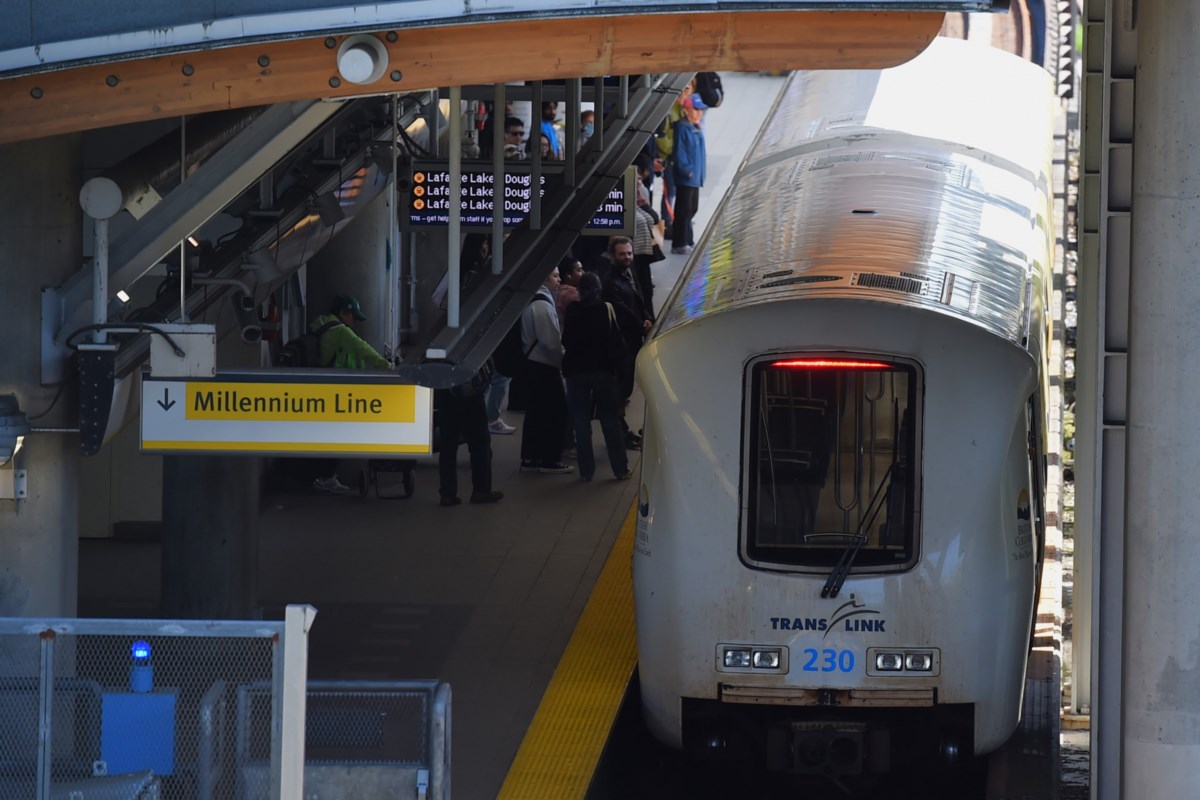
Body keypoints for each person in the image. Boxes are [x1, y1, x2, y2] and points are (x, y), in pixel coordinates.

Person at [308, 294, 391, 493]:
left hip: (320, 388)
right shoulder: (340, 331)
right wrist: (388, 366)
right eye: (353, 317)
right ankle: (326, 477)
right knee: (334, 435)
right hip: (334, 391)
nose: (354, 323)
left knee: (326, 435)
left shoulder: (320, 326)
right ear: (344, 313)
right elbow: (363, 349)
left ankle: (323, 475)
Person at [562, 273, 632, 481]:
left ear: (580, 290)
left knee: (581, 425)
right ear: (599, 288)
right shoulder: (606, 309)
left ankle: (586, 472)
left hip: (575, 372)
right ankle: (620, 469)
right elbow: (617, 342)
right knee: (610, 422)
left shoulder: (572, 310)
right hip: (603, 371)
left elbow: (566, 340)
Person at [519, 267, 574, 474]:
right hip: (544, 366)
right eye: (555, 275)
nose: (559, 279)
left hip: (533, 364)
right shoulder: (542, 305)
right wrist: (563, 360)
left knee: (535, 413)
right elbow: (550, 343)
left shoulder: (533, 300)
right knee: (554, 413)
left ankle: (531, 457)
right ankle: (549, 459)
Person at [601, 237, 653, 450]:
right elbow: (622, 310)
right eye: (622, 254)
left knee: (625, 388)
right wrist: (642, 324)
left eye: (629, 253)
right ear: (613, 256)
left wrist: (648, 316)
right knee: (621, 388)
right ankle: (619, 432)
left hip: (631, 340)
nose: (627, 257)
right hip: (622, 344)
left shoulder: (629, 273)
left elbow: (640, 299)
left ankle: (621, 430)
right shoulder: (611, 282)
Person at [436, 360, 504, 507]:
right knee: (480, 441)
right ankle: (482, 490)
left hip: (445, 385)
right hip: (468, 385)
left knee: (448, 443)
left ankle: (447, 493)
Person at [670, 100, 706, 254]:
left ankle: (688, 239)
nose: (700, 112)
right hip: (687, 177)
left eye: (701, 109)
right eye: (696, 109)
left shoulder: (695, 127)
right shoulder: (682, 127)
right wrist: (687, 170)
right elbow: (679, 152)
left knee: (692, 208)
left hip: (695, 177)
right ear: (687, 109)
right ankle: (679, 242)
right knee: (683, 210)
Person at [555, 253, 584, 327]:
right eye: (579, 270)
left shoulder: (556, 290)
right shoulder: (573, 295)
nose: (583, 273)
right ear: (569, 275)